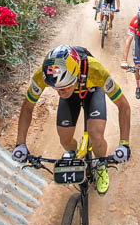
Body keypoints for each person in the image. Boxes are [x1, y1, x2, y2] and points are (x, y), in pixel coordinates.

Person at [11, 45, 131, 194]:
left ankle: (100, 165)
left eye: (65, 87)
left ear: (76, 75)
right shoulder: (43, 75)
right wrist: (20, 144)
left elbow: (123, 105)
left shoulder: (95, 70)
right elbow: (28, 106)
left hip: (92, 91)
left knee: (96, 136)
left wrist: (124, 144)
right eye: (56, 89)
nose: (60, 93)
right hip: (71, 98)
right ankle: (75, 156)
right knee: (65, 139)